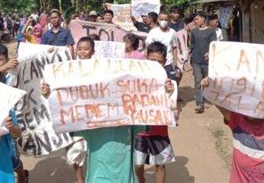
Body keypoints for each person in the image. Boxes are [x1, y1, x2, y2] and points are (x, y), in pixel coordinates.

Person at [41, 37, 150, 183]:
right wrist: (51, 95)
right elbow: (67, 116)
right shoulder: (91, 122)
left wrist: (165, 94)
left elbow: (148, 118)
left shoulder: (129, 122)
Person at [135, 42, 176, 183]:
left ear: (165, 62)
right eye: (153, 61)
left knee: (160, 165)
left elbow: (173, 107)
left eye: (160, 62)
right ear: (146, 58)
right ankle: (141, 180)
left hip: (159, 131)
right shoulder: (136, 80)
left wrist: (169, 93)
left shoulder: (170, 83)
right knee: (138, 165)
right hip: (140, 130)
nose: (156, 64)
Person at [0, 45, 27, 183]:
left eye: (0, 59)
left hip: (9, 121)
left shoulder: (12, 76)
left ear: (7, 60)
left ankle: (21, 176)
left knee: (12, 156)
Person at [190, 11, 216, 113]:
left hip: (207, 61)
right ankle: (200, 103)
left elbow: (214, 44)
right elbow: (192, 44)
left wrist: (210, 53)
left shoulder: (211, 31)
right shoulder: (194, 31)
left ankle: (206, 98)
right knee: (198, 81)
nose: (195, 21)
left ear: (203, 19)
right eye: (194, 19)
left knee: (207, 82)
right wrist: (189, 55)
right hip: (196, 60)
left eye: (197, 19)